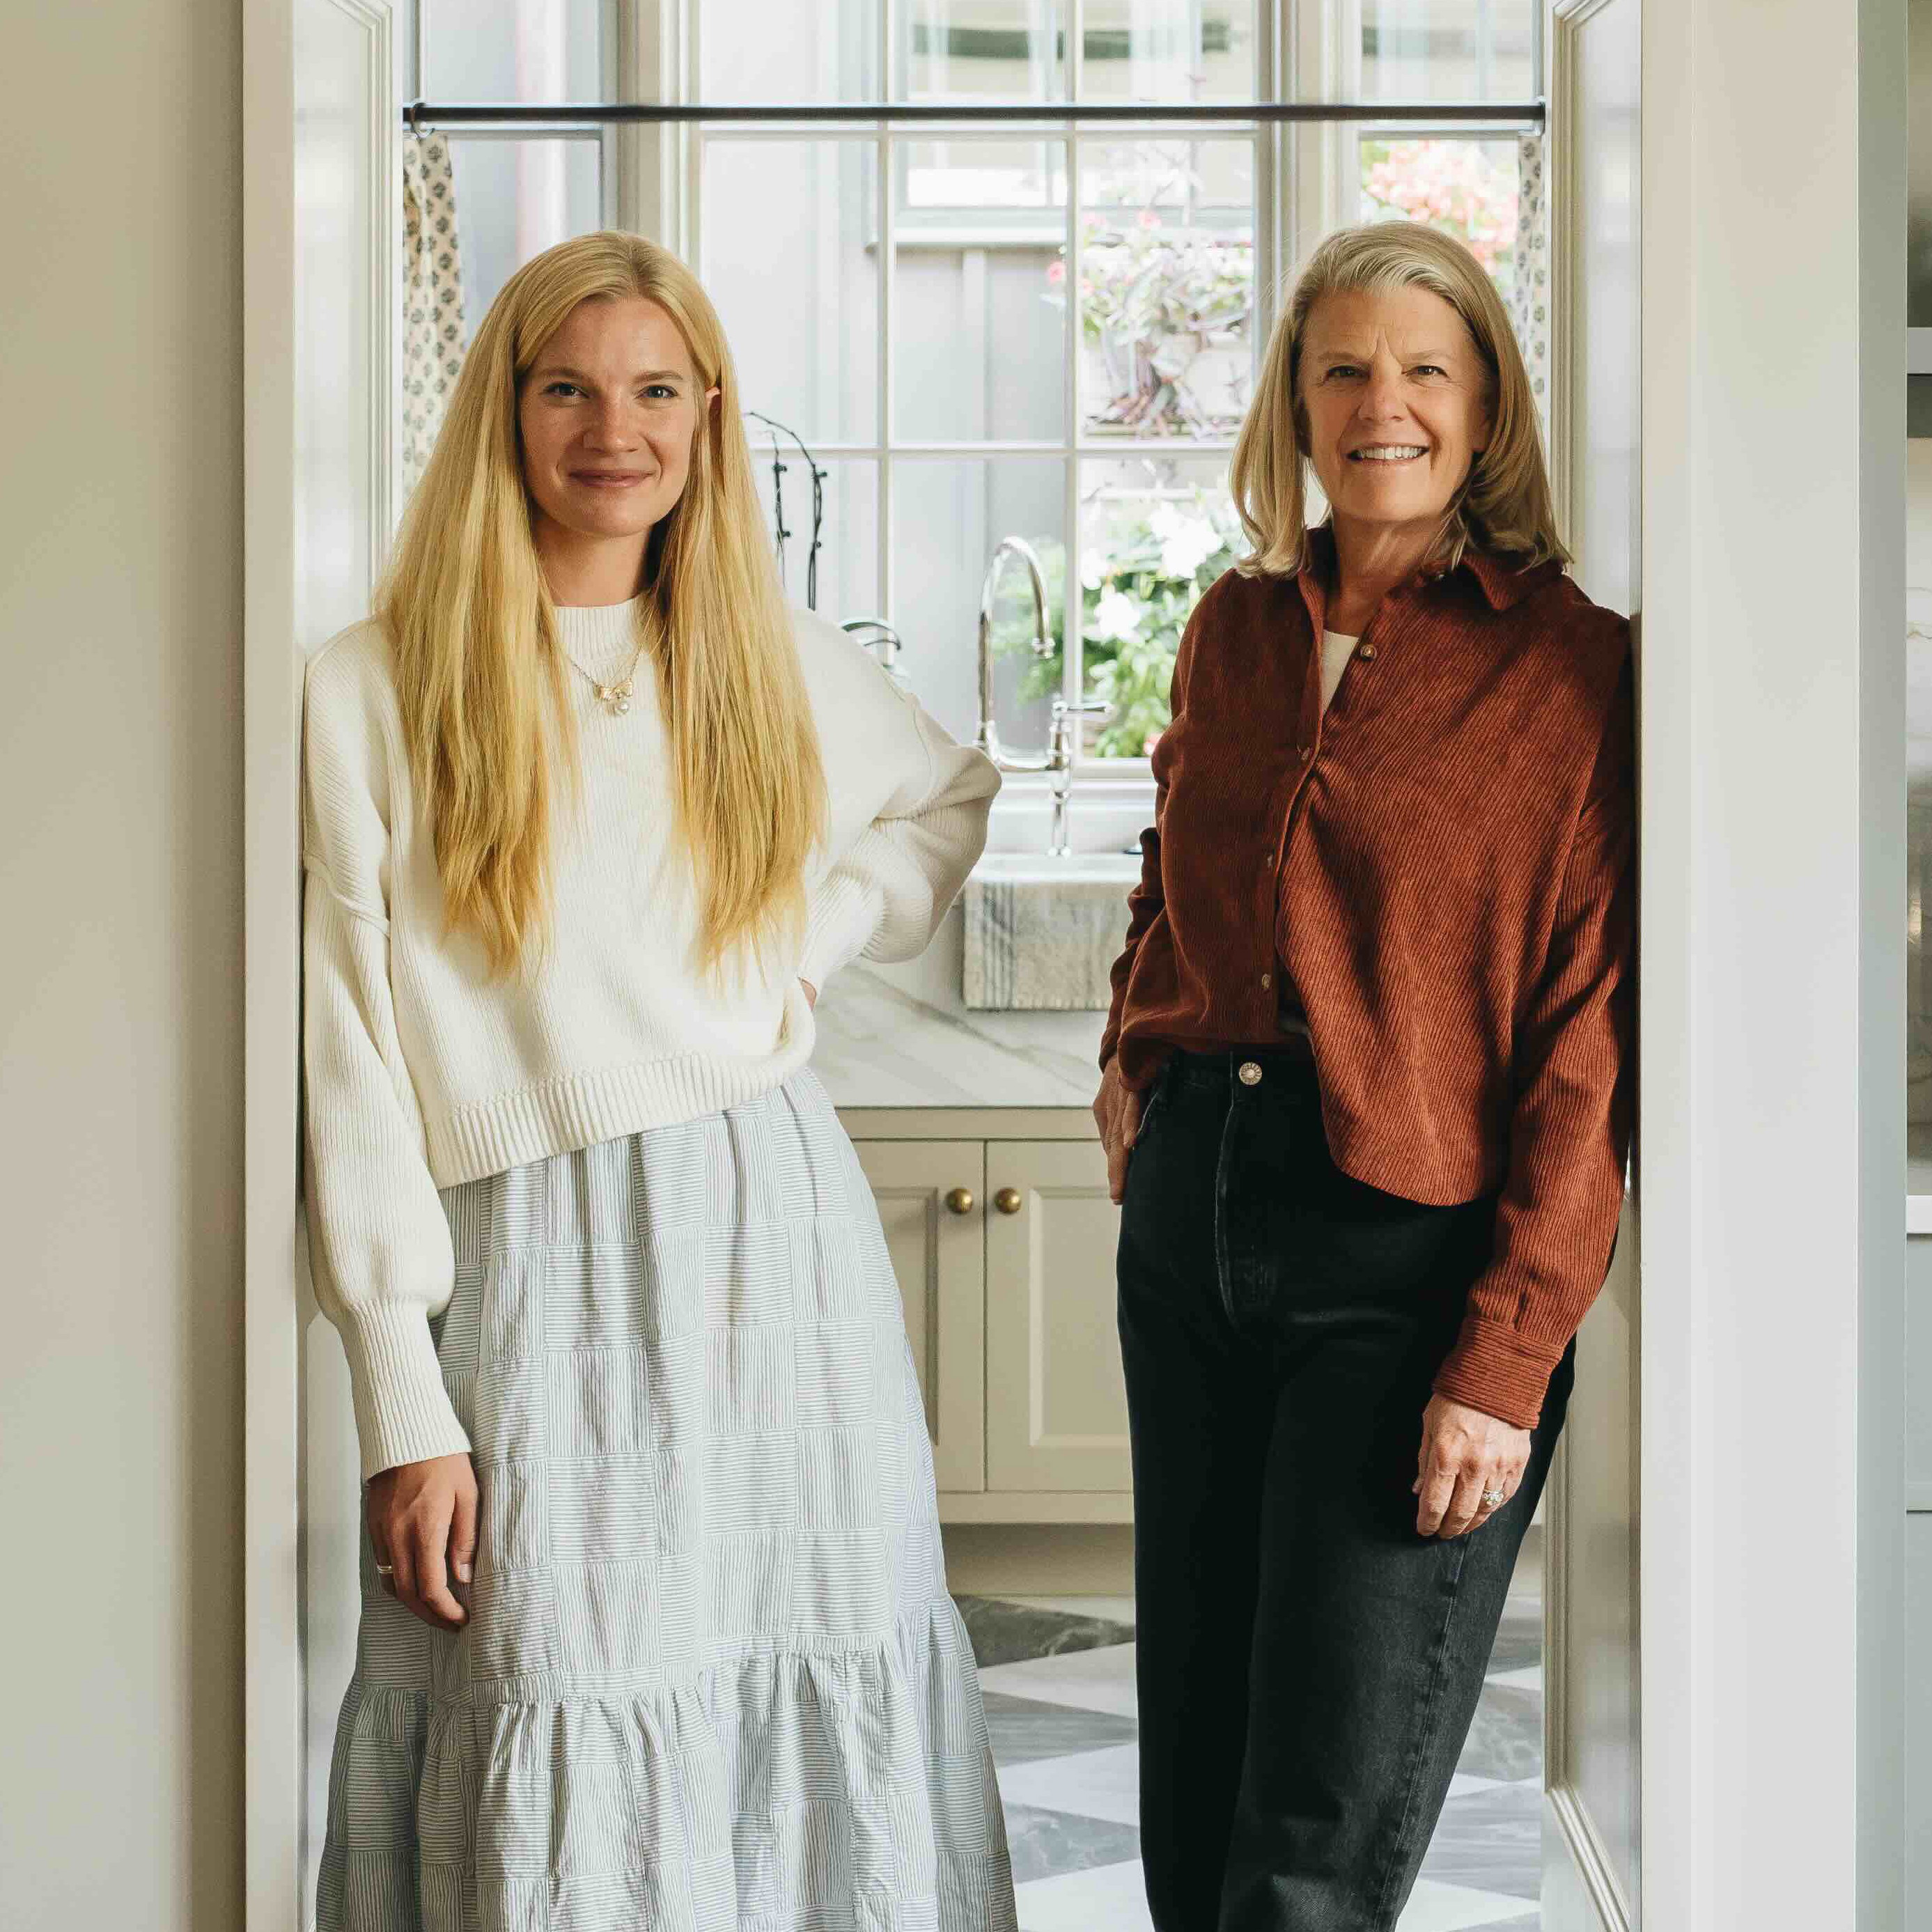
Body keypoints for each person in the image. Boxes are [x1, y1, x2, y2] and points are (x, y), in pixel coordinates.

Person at [302, 229, 1016, 1932]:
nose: (610, 430)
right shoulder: (374, 686)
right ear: (505, 411)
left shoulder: (758, 657)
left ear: (707, 420)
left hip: (773, 1249)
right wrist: (404, 1401)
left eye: (653, 391)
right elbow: (351, 1058)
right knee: (549, 1690)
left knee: (796, 1674)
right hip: (530, 1276)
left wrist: (807, 936)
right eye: (566, 388)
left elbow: (949, 799)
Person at [1092, 220, 1635, 1931]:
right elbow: (1167, 863)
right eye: (1341, 367)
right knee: (1191, 1767)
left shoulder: (1571, 667)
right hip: (1196, 1224)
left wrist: (1506, 1353)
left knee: (1321, 1809)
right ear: (1295, 402)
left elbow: (1585, 1034)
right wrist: (1131, 1048)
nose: (1378, 403)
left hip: (1402, 1262)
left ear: (1485, 410)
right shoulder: (1234, 630)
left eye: (1422, 369)